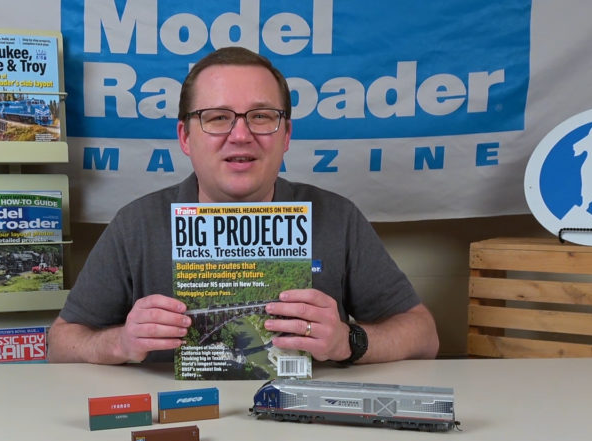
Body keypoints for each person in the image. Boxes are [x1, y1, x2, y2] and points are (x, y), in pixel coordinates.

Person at [48, 47, 438, 365]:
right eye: (217, 118)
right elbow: (62, 342)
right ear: (185, 137)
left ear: (286, 135)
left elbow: (423, 334)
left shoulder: (336, 216)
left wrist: (348, 340)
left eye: (261, 117)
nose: (240, 135)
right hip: (180, 430)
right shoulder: (137, 223)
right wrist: (119, 343)